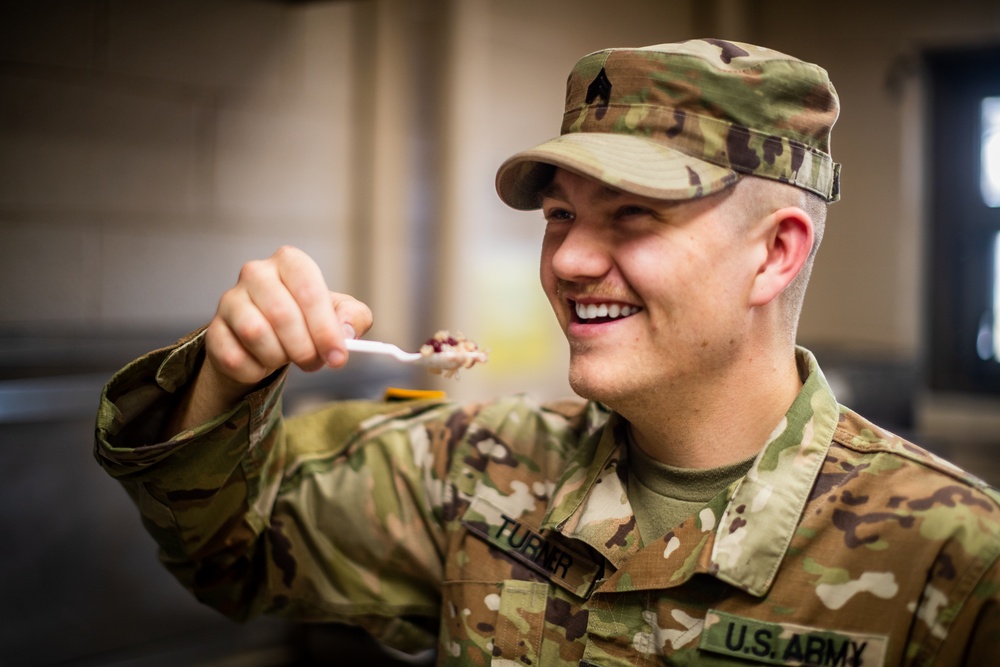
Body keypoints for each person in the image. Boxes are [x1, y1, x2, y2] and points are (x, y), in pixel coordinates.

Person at [95, 38, 1000, 665]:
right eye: (560, 213)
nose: (565, 258)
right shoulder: (477, 470)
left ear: (775, 251)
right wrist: (230, 370)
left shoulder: (953, 558)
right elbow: (229, 553)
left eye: (633, 215)